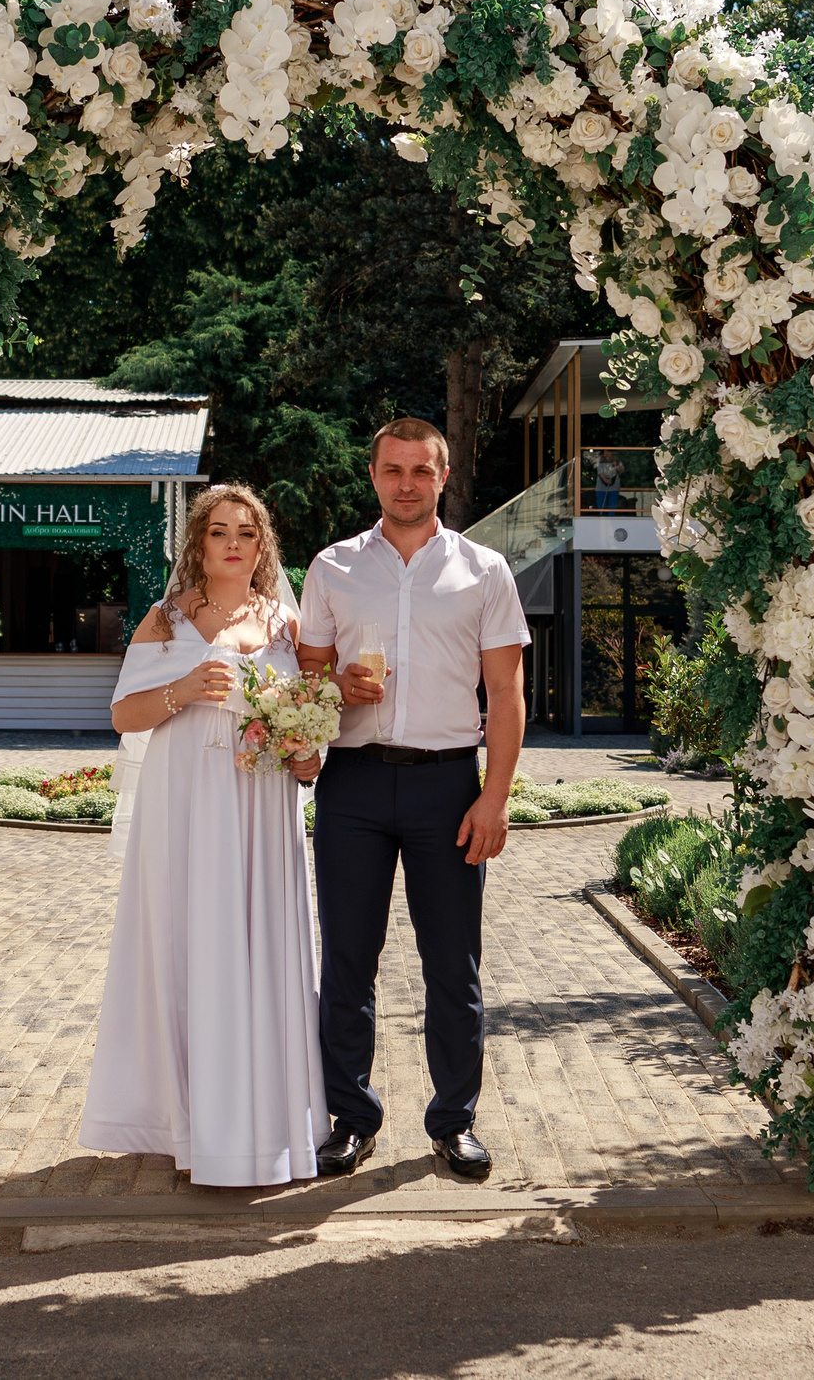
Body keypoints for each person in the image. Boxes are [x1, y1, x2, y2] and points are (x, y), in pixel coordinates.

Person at [296, 419, 530, 1182]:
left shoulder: (485, 570)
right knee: (348, 963)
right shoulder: (332, 568)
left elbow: (506, 690)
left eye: (420, 470)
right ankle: (350, 1119)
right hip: (354, 783)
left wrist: (493, 798)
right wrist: (335, 689)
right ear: (372, 475)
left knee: (453, 964)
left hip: (447, 785)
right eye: (393, 469)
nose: (406, 483)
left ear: (443, 474)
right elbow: (303, 687)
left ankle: (454, 1121)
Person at [78, 484, 326, 1186]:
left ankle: (265, 1119)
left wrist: (310, 755)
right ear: (199, 543)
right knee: (191, 945)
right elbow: (124, 713)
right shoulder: (166, 618)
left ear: (263, 545)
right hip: (184, 800)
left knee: (261, 945)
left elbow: (310, 722)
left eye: (247, 533)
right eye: (219, 532)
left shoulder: (286, 623)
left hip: (261, 802)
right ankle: (189, 1121)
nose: (234, 544)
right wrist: (184, 688)